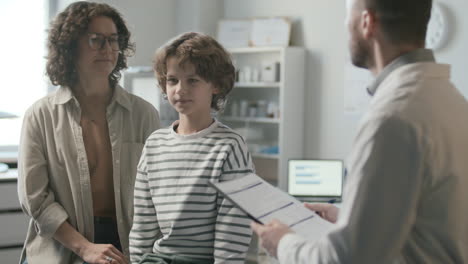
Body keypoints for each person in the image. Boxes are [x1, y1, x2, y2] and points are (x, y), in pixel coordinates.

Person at [251, 0, 468, 263]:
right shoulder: (451, 99)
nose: (345, 26)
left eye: (347, 18)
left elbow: (347, 258)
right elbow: (425, 221)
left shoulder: (393, 118)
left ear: (367, 22)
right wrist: (346, 216)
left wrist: (283, 243)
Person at [17, 2, 160, 263]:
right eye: (96, 40)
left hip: (126, 244)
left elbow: (156, 195)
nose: (107, 50)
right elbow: (35, 200)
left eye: (113, 40)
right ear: (70, 47)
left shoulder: (143, 114)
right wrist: (83, 247)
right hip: (59, 244)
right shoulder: (40, 116)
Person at [129, 32, 254, 264]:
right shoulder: (155, 144)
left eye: (192, 80)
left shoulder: (229, 146)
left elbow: (233, 229)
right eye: (172, 80)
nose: (180, 90)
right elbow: (142, 224)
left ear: (215, 85)